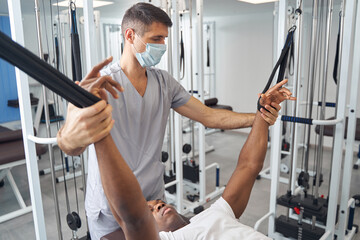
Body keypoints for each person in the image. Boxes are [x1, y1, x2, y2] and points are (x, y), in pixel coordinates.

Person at [56, 3, 282, 239]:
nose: (162, 46)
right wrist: (69, 138)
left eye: (164, 39)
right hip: (111, 203)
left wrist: (259, 117)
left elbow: (209, 115)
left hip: (153, 198)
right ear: (130, 36)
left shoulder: (164, 82)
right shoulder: (101, 86)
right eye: (156, 39)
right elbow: (71, 145)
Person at [91, 79, 295, 240]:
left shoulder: (218, 211)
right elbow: (129, 218)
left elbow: (249, 166)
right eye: (151, 211)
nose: (159, 206)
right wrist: (100, 134)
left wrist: (263, 112)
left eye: (157, 203)